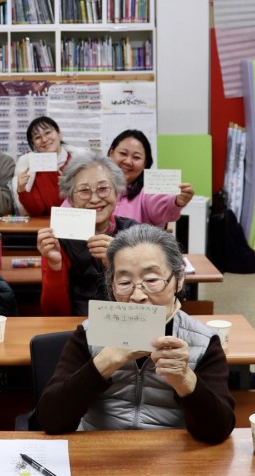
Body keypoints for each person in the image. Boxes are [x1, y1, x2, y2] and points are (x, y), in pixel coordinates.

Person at [36, 224, 235, 444]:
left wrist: (185, 379)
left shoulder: (203, 341)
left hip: (171, 455)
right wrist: (106, 360)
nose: (137, 295)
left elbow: (218, 431)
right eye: (124, 282)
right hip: (99, 450)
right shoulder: (89, 334)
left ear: (178, 280)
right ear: (111, 286)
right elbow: (50, 420)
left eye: (151, 280)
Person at [37, 152, 137, 316]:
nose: (95, 199)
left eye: (103, 189)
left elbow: (145, 302)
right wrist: (54, 265)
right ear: (70, 199)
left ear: (116, 192)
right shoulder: (59, 239)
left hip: (126, 320)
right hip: (78, 324)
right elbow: (54, 313)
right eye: (84, 190)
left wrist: (116, 265)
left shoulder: (135, 234)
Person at [107, 130, 194, 228]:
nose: (128, 161)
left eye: (136, 157)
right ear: (111, 153)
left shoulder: (148, 190)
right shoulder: (98, 186)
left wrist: (175, 201)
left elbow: (161, 202)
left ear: (145, 163)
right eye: (123, 153)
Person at [11, 116, 88, 216]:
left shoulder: (81, 162)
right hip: (48, 223)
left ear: (59, 134)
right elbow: (36, 211)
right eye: (37, 137)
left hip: (81, 219)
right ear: (33, 145)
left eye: (47, 133)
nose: (44, 139)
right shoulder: (32, 169)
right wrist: (22, 190)